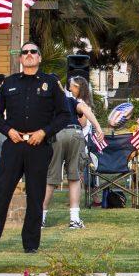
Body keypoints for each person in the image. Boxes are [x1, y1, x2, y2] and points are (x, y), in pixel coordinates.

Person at [0, 42, 70, 254]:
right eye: (25, 52)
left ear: (39, 58)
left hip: (38, 146)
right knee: (1, 194)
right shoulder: (9, 83)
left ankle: (31, 245)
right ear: (20, 59)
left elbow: (64, 115)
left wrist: (44, 132)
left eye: (33, 51)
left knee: (35, 196)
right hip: (14, 146)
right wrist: (8, 131)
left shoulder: (51, 83)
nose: (29, 55)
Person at [44, 76, 104, 229]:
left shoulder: (45, 101)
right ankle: (74, 219)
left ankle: (40, 219)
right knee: (74, 177)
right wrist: (98, 127)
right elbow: (85, 109)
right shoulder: (69, 100)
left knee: (51, 179)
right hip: (75, 133)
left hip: (56, 135)